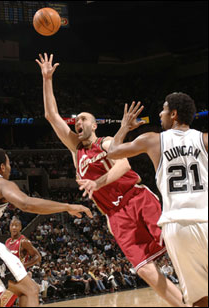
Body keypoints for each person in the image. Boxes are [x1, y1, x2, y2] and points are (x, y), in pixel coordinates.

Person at [35, 52, 186, 307]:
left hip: (137, 198)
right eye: (76, 120)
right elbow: (52, 116)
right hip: (115, 215)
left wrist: (98, 182)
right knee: (144, 269)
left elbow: (124, 164)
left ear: (94, 126)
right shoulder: (76, 149)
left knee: (175, 244)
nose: (77, 122)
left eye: (83, 118)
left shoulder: (105, 143)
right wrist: (47, 79)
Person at [0, 148, 93, 307]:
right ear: (2, 167)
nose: (10, 168)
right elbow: (26, 203)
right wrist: (67, 206)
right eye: (8, 164)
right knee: (29, 290)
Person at [106, 94, 208, 307]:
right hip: (206, 219)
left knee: (199, 298)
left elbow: (113, 152)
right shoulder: (205, 139)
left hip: (177, 226)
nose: (160, 114)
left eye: (163, 109)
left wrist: (124, 127)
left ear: (174, 114)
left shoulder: (152, 140)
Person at [0, 216, 42, 307]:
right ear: (9, 227)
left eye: (16, 225)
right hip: (7, 278)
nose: (14, 227)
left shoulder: (24, 241)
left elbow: (37, 257)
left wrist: (24, 265)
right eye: (12, 225)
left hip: (18, 279)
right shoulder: (8, 241)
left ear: (20, 227)